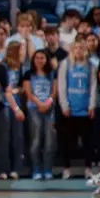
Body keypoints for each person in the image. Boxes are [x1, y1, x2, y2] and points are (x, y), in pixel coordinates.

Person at [57, 35, 97, 180]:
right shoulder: (65, 64)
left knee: (88, 142)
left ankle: (88, 168)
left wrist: (92, 105)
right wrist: (64, 105)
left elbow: (93, 86)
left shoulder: (90, 65)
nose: (79, 50)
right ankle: (67, 169)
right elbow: (62, 86)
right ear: (72, 50)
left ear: (86, 49)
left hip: (85, 109)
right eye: (76, 48)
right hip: (70, 109)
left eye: (81, 48)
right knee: (68, 142)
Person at [0, 41, 26, 179]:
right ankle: (2, 169)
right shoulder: (1, 67)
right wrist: (16, 109)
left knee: (17, 138)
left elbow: (21, 87)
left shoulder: (21, 67)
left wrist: (16, 90)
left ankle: (15, 169)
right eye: (22, 50)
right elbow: (6, 92)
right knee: (3, 139)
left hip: (16, 104)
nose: (24, 54)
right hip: (4, 106)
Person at [23, 50, 57, 180]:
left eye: (42, 58)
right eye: (37, 58)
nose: (39, 60)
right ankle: (36, 169)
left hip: (49, 109)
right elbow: (28, 93)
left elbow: (54, 92)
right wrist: (39, 104)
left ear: (46, 60)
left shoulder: (52, 74)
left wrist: (47, 103)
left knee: (50, 141)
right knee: (36, 140)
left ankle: (47, 169)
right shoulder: (28, 74)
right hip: (34, 109)